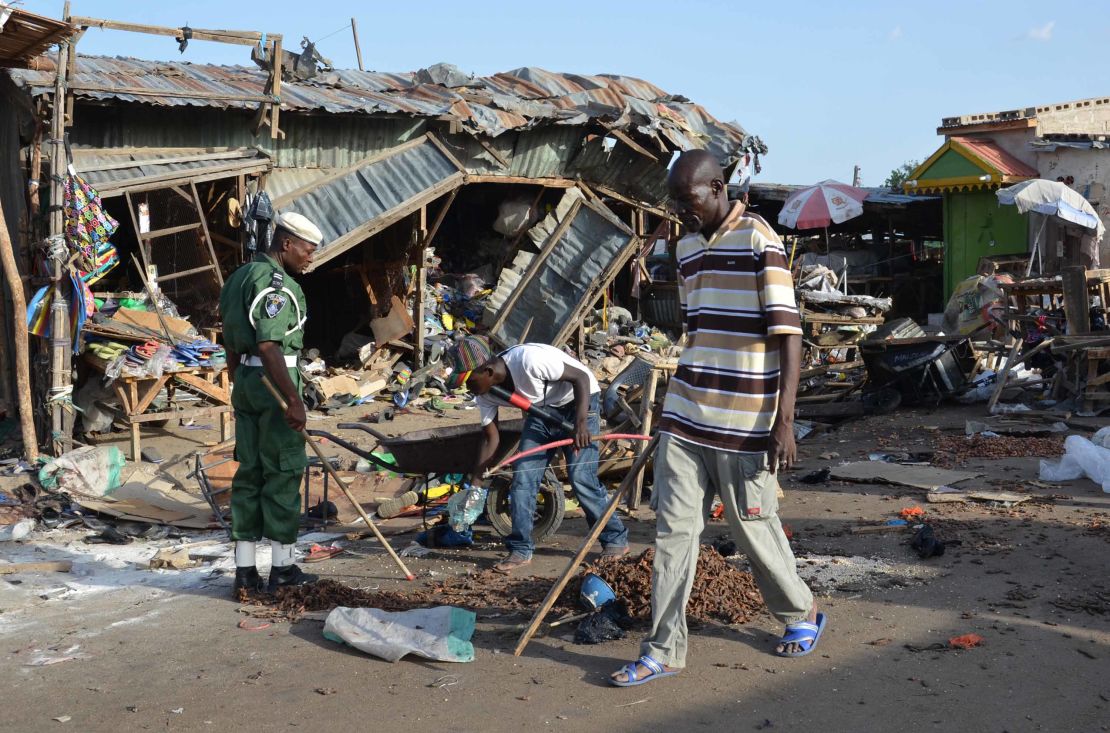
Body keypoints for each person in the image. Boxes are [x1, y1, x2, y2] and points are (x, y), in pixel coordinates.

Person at [610, 150, 824, 687]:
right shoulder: (684, 247)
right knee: (672, 534)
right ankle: (663, 650)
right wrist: (666, 406)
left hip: (747, 419)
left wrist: (785, 418)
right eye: (677, 203)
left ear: (719, 187)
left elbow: (788, 333)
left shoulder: (759, 240)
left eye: (690, 201)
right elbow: (699, 329)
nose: (683, 212)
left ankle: (800, 613)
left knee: (752, 526)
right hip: (686, 414)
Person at [445, 338, 629, 573]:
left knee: (581, 477)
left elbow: (581, 378)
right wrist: (475, 486)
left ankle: (615, 539)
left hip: (579, 403)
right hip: (541, 414)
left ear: (488, 371)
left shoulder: (529, 360)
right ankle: (520, 549)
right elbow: (491, 438)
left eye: (468, 382)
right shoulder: (485, 394)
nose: (467, 389)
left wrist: (581, 422)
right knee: (523, 479)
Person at [220, 212, 322, 596]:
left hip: (247, 382)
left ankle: (245, 573)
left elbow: (230, 339)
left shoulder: (238, 277)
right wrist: (293, 401)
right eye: (307, 250)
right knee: (282, 472)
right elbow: (269, 344)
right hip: (275, 383)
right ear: (286, 244)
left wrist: (237, 381)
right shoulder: (277, 284)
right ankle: (282, 571)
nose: (310, 258)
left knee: (249, 472)